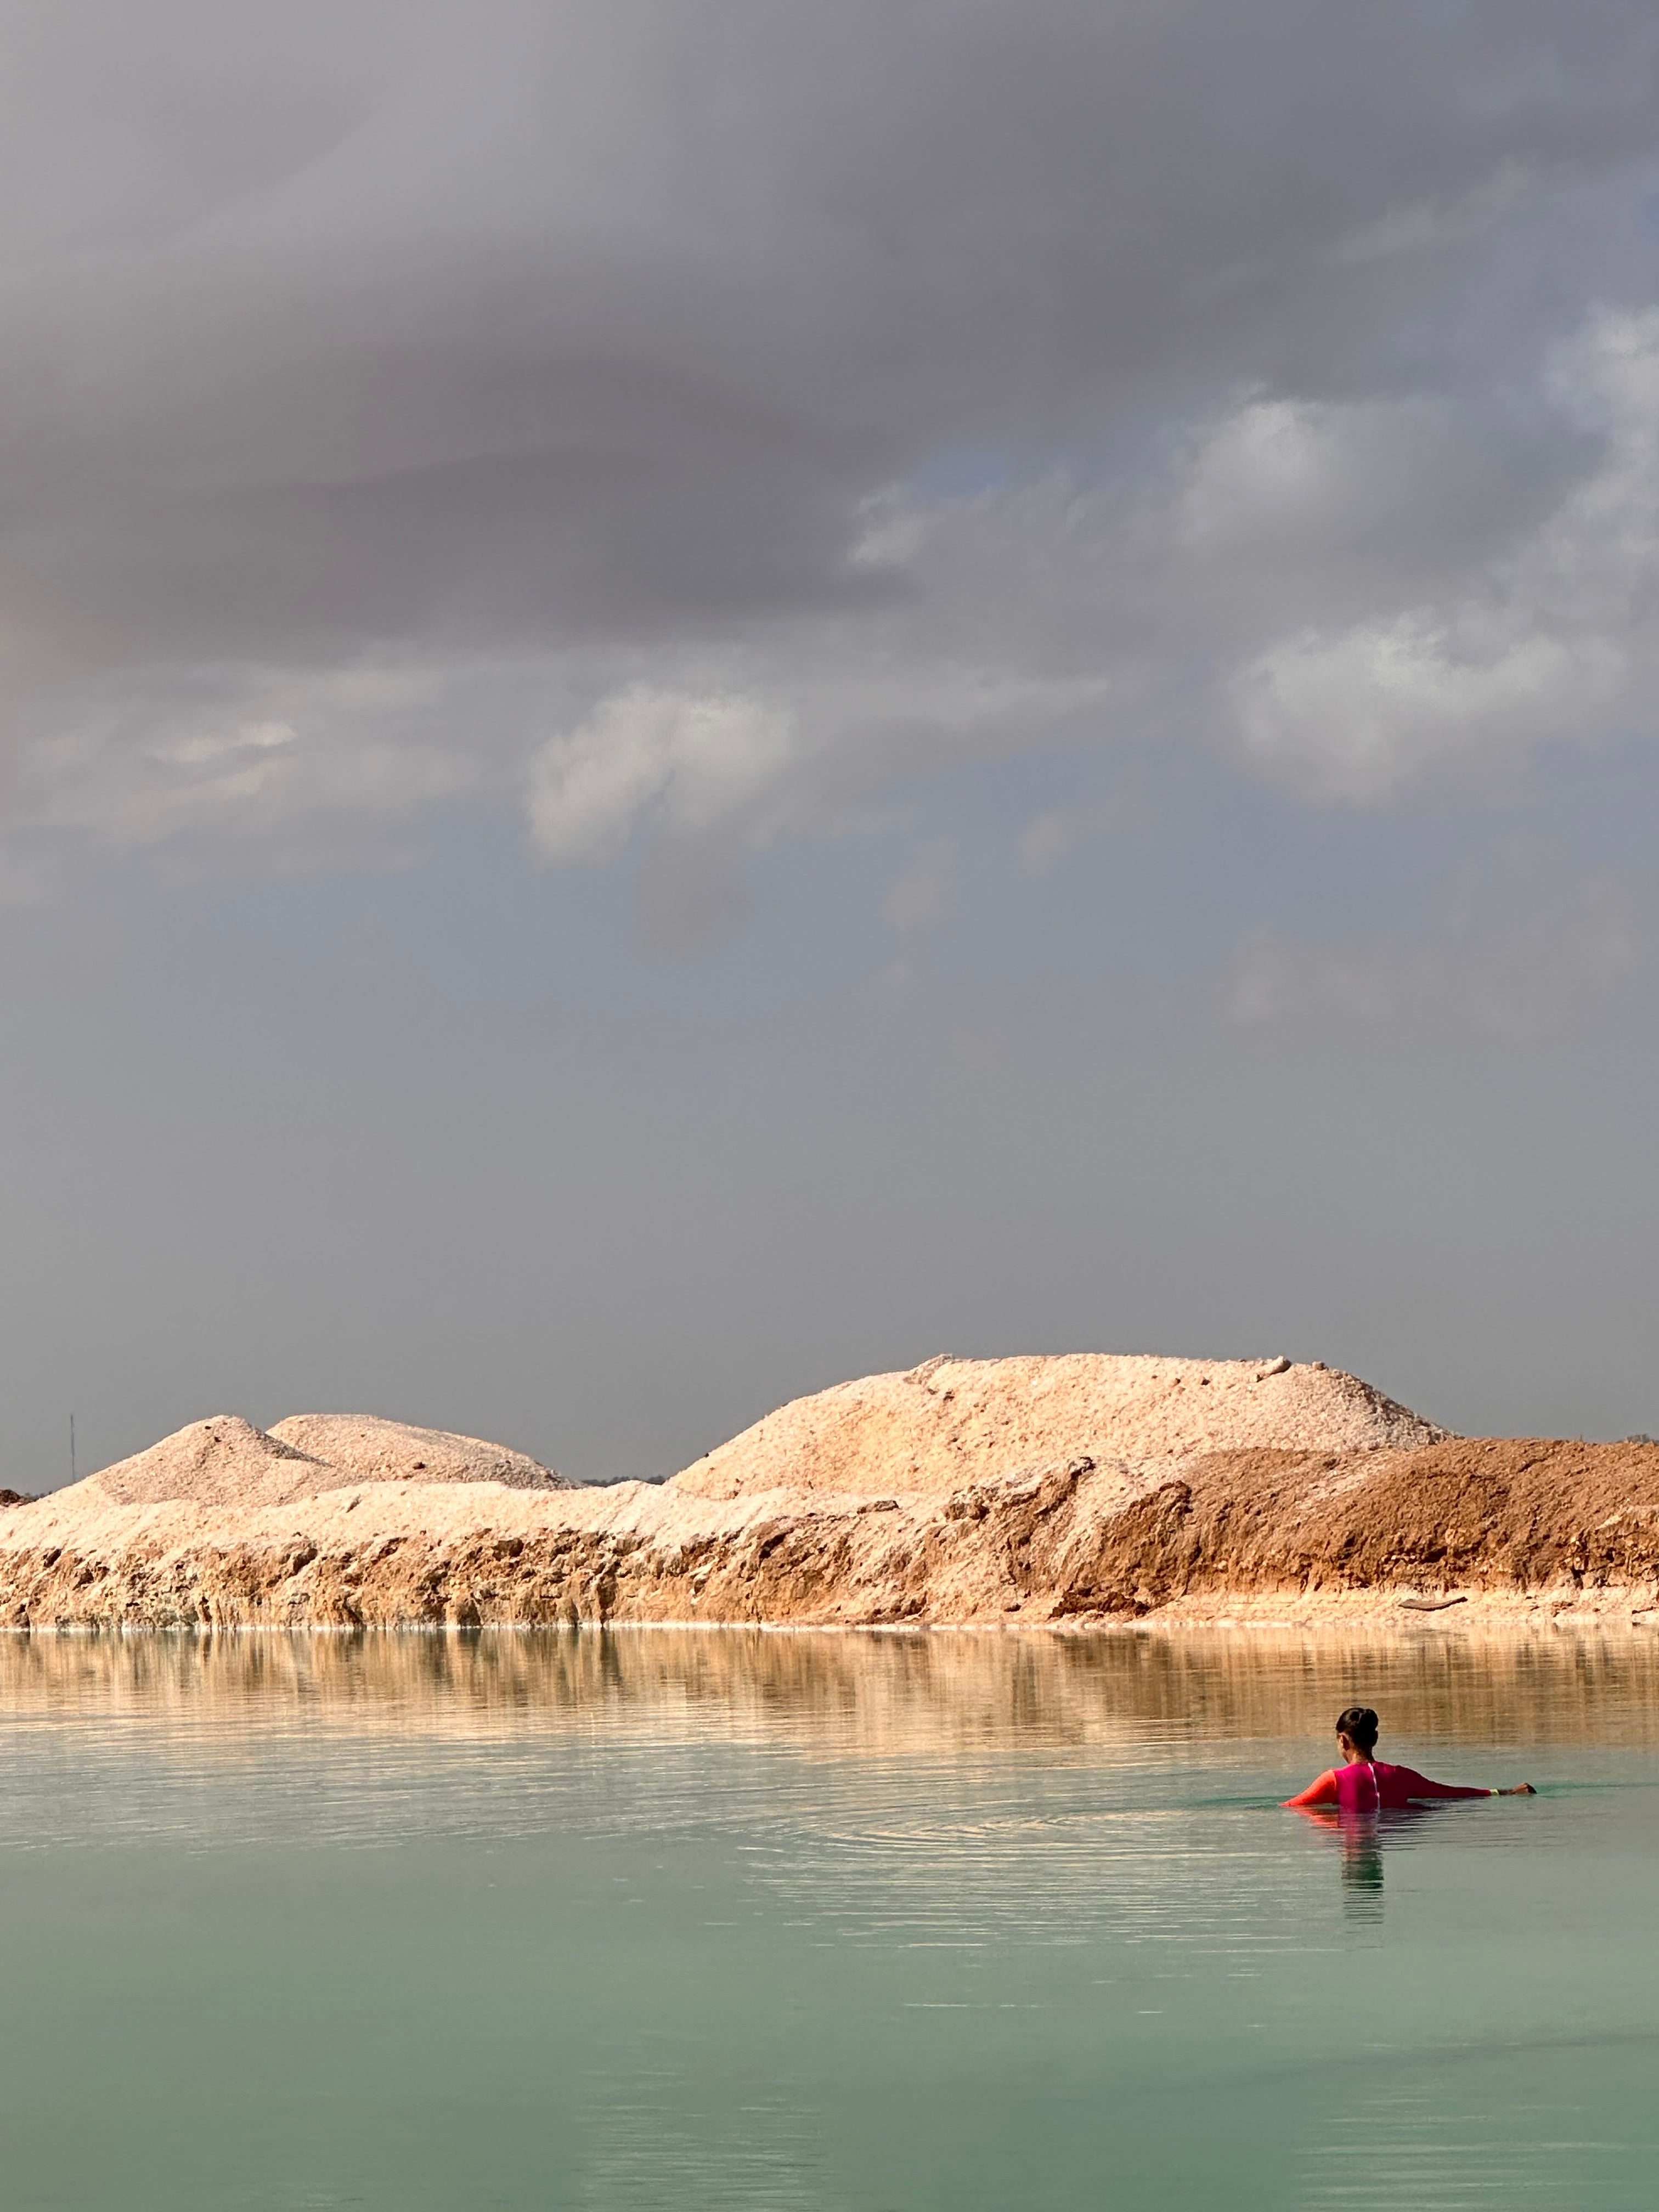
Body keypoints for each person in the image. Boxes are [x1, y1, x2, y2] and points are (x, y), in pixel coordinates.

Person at [1283, 1706, 1535, 1811]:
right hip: (1396, 1832)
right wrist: (1505, 1792)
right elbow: (1450, 1793)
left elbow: (1291, 1809)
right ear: (1376, 1738)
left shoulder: (1334, 1780)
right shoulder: (1400, 1775)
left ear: (1343, 1741)